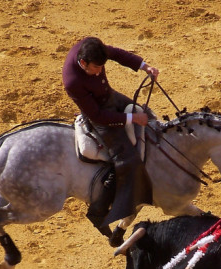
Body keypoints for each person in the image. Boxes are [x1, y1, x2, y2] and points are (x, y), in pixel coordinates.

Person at [62, 36, 160, 237]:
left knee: (149, 119)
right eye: (95, 68)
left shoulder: (91, 47)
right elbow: (98, 116)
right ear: (83, 63)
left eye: (101, 67)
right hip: (99, 117)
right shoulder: (73, 81)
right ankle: (99, 211)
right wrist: (132, 118)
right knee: (128, 159)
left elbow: (116, 53)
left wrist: (145, 66)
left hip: (109, 97)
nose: (99, 72)